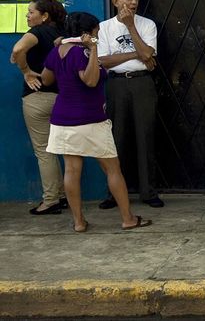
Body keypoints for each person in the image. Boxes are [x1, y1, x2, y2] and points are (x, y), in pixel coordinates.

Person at [41, 12, 152, 232]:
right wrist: (92, 50)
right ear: (88, 32)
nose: (98, 35)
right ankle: (128, 218)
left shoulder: (57, 51)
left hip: (62, 119)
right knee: (112, 169)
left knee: (72, 170)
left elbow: (46, 78)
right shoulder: (82, 52)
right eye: (96, 31)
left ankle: (79, 222)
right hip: (90, 118)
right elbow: (91, 80)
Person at [97, 0, 162, 209]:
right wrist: (137, 54)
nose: (133, 2)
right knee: (116, 138)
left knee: (146, 136)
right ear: (116, 2)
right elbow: (103, 61)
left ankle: (148, 192)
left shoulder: (147, 24)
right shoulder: (104, 27)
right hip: (115, 84)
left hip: (142, 82)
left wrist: (131, 26)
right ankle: (115, 194)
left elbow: (149, 54)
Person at [10, 0, 68, 215]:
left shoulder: (37, 32)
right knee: (60, 149)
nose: (27, 15)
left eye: (31, 12)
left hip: (38, 98)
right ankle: (62, 195)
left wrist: (26, 71)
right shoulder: (61, 33)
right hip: (61, 98)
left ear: (44, 16)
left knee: (44, 151)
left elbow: (17, 50)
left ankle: (51, 200)